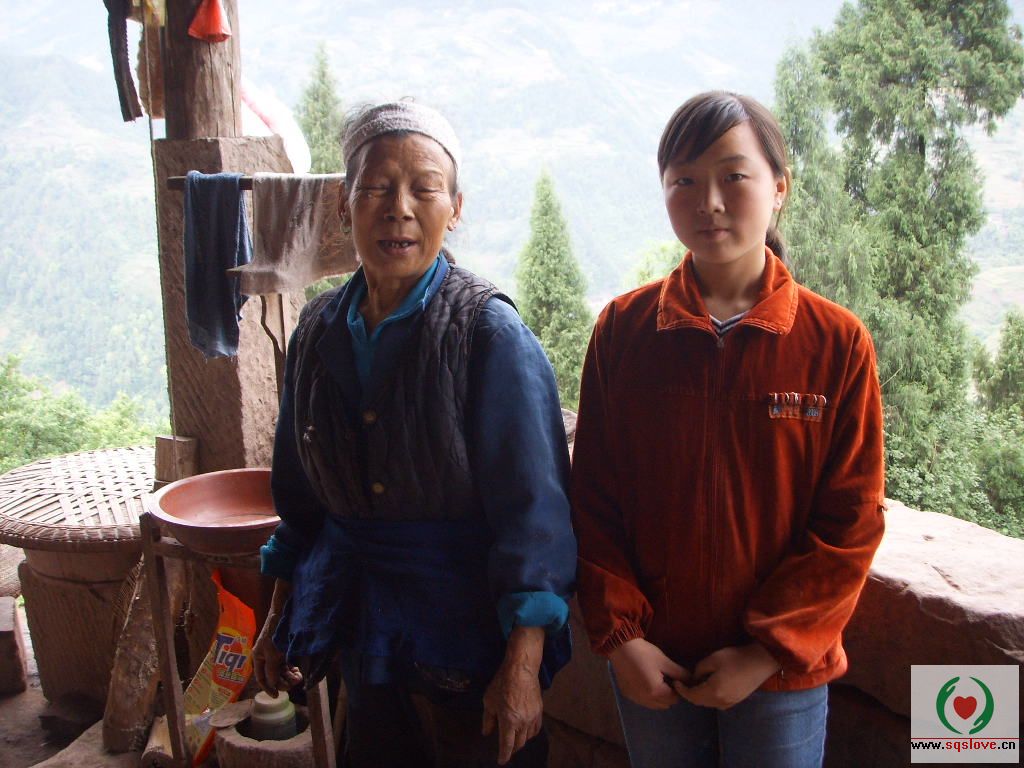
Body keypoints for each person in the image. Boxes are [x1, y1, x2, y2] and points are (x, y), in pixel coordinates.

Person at [252, 101, 576, 768]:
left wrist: (522, 668)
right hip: (361, 622)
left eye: (424, 189)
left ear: (454, 208)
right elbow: (300, 502)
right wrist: (278, 618)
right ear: (343, 205)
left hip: (469, 639)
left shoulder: (489, 334)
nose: (398, 209)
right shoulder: (316, 332)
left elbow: (536, 518)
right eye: (376, 188)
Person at [570, 91, 886, 768]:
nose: (709, 202)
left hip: (780, 675)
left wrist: (765, 652)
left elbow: (851, 522)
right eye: (684, 180)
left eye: (733, 176)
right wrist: (622, 639)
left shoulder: (835, 343)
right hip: (654, 662)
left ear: (779, 188)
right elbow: (593, 498)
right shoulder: (624, 332)